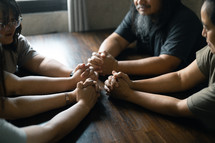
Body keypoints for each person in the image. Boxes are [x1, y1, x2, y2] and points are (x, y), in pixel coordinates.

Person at [104, 0, 215, 130]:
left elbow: (178, 107)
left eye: (207, 27)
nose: (203, 33)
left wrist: (128, 93)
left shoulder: (185, 19)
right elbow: (180, 78)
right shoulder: (211, 51)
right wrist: (131, 84)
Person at [0, 0, 97, 96]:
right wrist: (72, 82)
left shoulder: (15, 41)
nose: (11, 27)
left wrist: (74, 74)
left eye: (13, 20)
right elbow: (18, 87)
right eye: (3, 23)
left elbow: (39, 62)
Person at [88, 0, 206, 76]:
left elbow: (167, 63)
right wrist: (101, 59)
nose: (139, 1)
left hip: (186, 88)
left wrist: (114, 66)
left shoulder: (184, 19)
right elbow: (117, 40)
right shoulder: (140, 10)